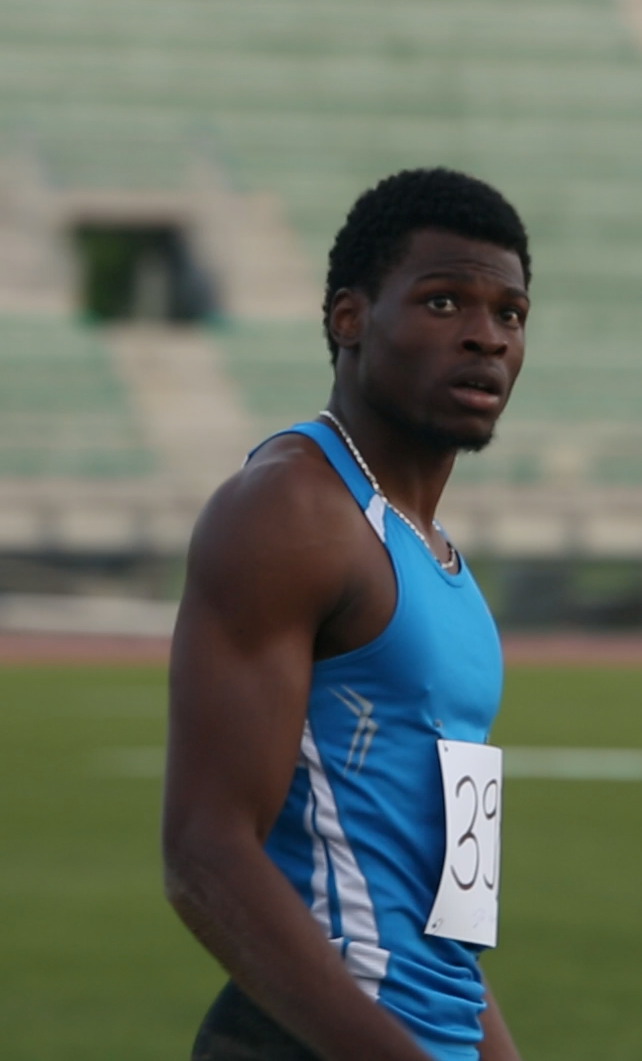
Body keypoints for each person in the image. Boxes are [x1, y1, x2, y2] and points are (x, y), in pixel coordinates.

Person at [163, 168, 531, 1061]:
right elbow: (206, 853)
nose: (485, 336)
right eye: (443, 303)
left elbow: (436, 907)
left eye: (510, 314)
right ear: (349, 319)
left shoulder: (436, 557)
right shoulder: (291, 511)